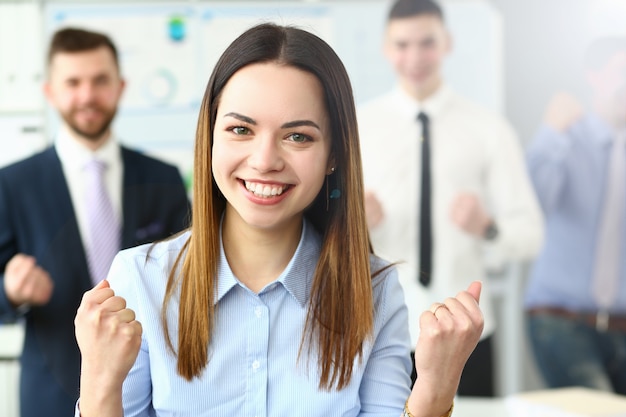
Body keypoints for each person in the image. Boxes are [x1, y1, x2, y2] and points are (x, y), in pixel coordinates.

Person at [73, 23, 483, 417]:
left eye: (298, 136)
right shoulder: (140, 281)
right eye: (240, 129)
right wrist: (97, 381)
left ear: (334, 155)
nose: (265, 160)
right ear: (210, 136)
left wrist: (433, 390)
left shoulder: (373, 292)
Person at [0, 27, 190, 417]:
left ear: (120, 87)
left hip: (150, 392)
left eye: (100, 81)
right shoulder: (11, 183)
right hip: (50, 394)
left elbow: (191, 278)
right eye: (73, 82)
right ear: (50, 91)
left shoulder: (163, 179)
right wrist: (10, 289)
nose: (87, 96)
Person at [357, 0, 543, 397]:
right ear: (386, 49)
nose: (415, 57)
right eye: (402, 44)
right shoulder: (357, 128)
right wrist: (354, 220)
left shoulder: (489, 129)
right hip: (381, 330)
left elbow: (530, 234)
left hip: (468, 331)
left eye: (427, 43)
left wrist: (487, 227)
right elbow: (317, 229)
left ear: (447, 44)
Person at [524, 36, 626, 394]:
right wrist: (552, 132)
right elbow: (531, 207)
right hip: (561, 319)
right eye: (620, 70)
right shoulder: (566, 136)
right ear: (594, 77)